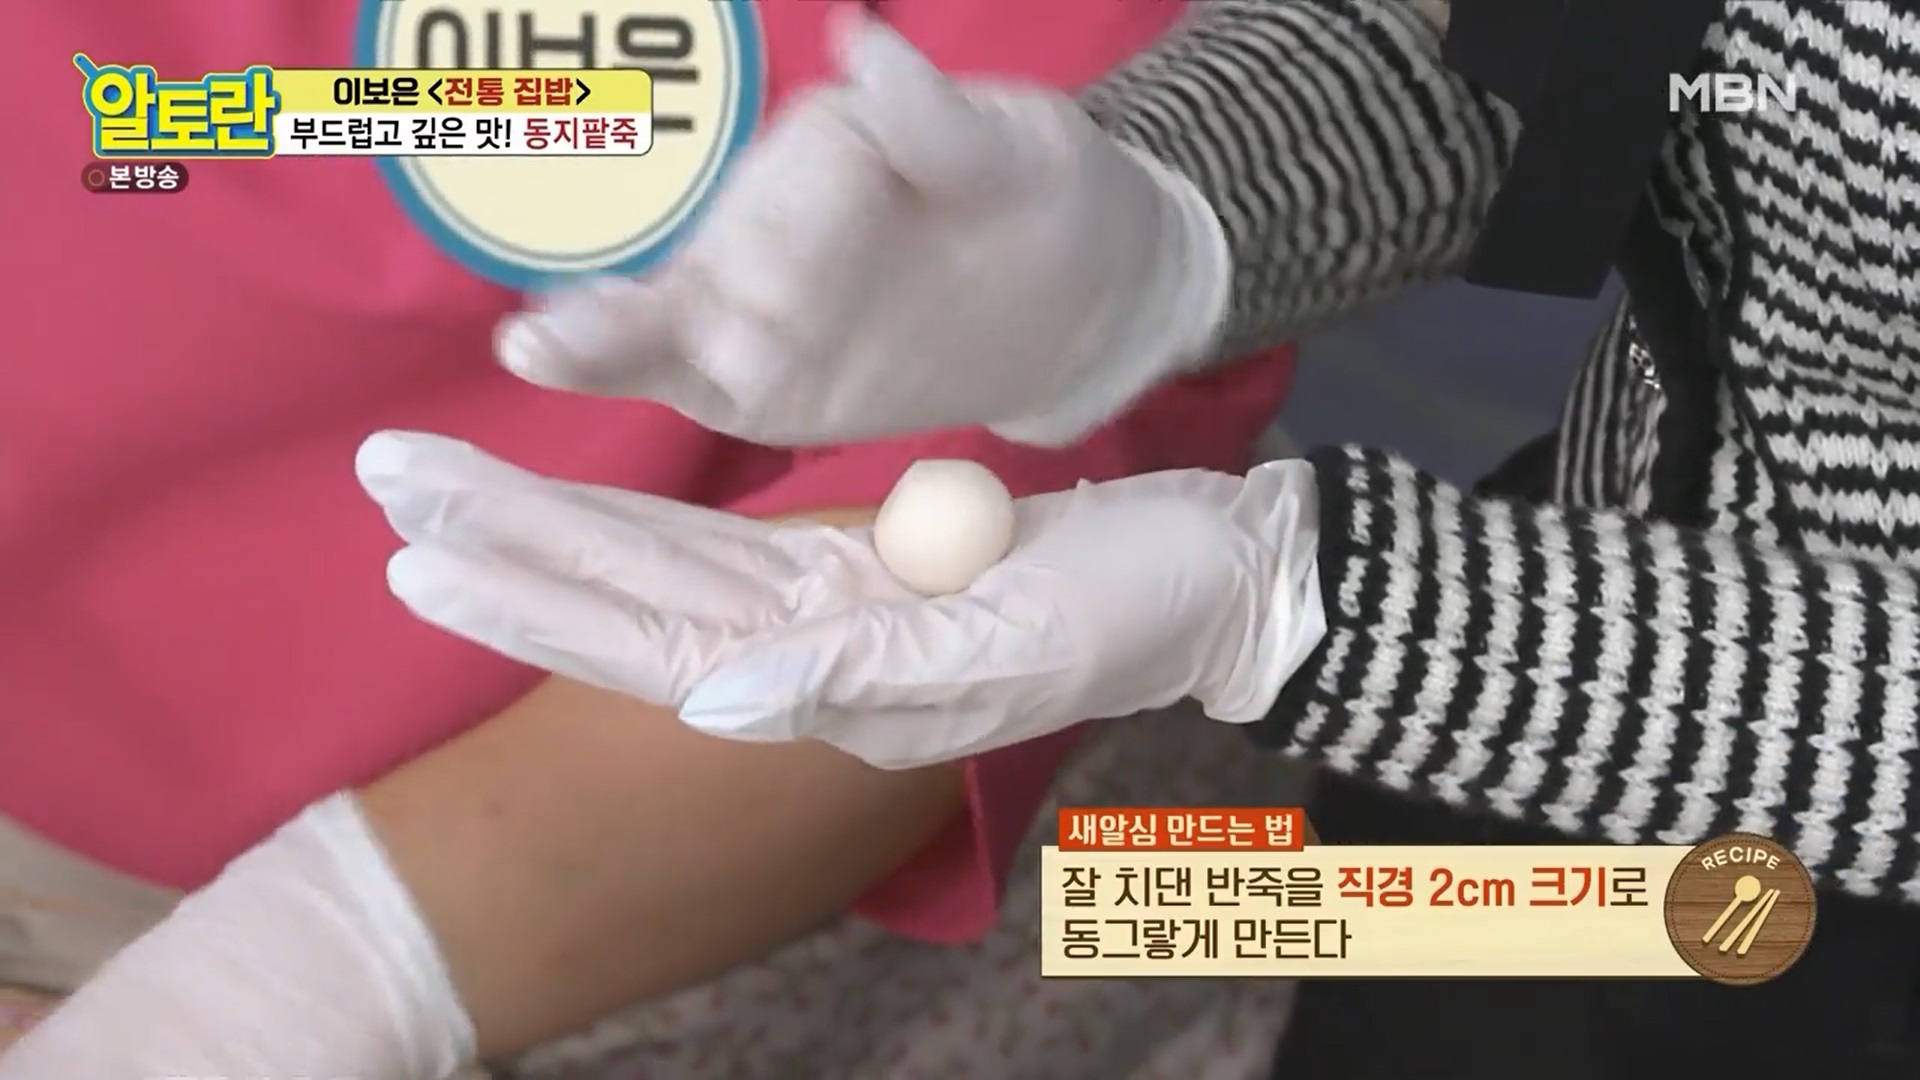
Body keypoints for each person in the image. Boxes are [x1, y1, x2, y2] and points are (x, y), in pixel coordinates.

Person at [343, 1, 1920, 1077]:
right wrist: (1170, 216)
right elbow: (1570, 51)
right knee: (1382, 1008)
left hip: (1820, 929)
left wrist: (1325, 614)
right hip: (1538, 662)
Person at [0, 0, 1299, 1076]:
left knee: (1340, 919)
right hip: (63, 798)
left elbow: (955, 561)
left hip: (682, 895)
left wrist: (287, 978)